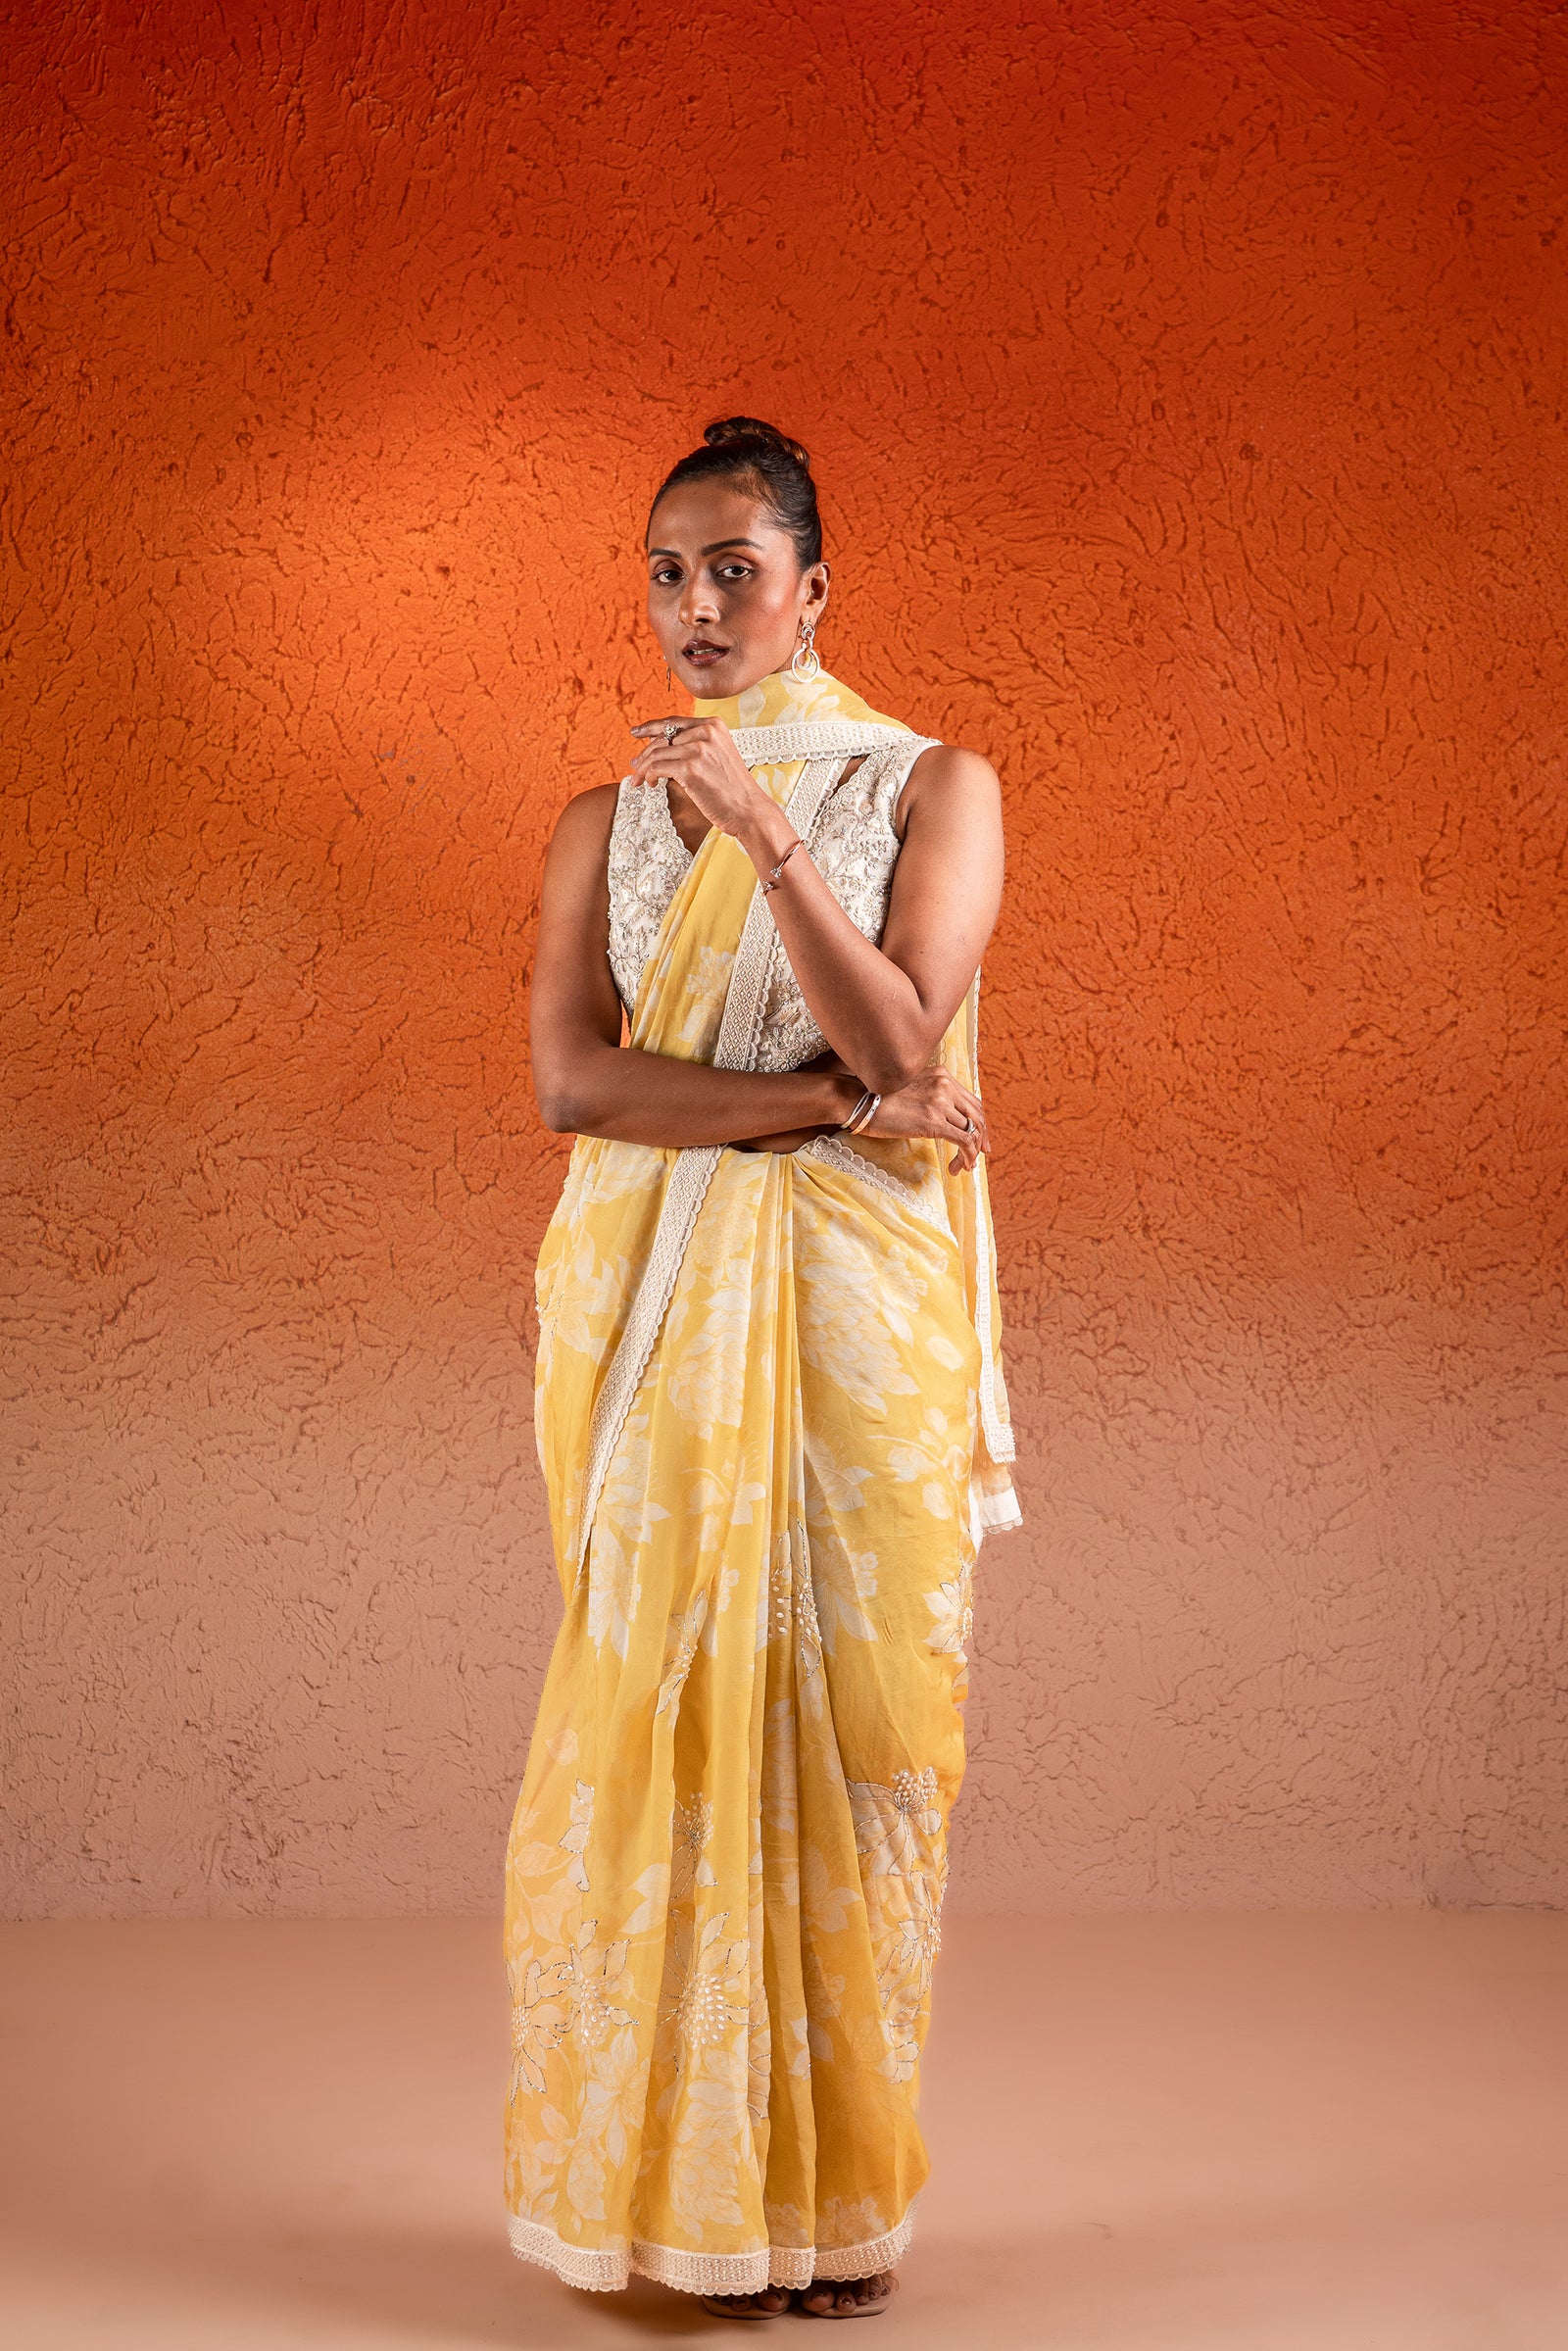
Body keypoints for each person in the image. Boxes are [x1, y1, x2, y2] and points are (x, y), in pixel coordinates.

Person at [504, 417, 1020, 2322]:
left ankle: (828, 2220)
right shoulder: (595, 819)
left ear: (813, 587)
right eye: (665, 571)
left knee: (857, 1741)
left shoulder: (929, 784)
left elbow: (907, 1025)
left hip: (850, 1342)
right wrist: (815, 1105)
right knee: (663, 1717)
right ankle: (678, 2211)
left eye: (734, 567)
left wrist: (773, 838)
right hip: (648, 1329)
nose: (696, 606)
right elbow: (579, 1085)